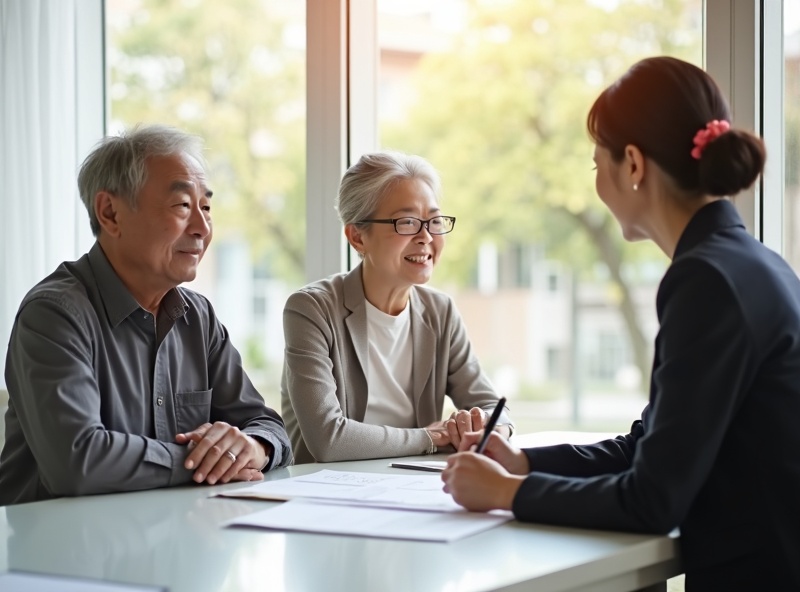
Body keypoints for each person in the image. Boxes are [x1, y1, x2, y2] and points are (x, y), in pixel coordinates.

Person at [441, 56, 800, 591]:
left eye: (596, 165)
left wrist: (504, 494)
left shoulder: (707, 281)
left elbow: (652, 499)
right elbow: (649, 446)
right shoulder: (752, 263)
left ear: (632, 164)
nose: (598, 185)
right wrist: (521, 463)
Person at [0, 124, 291, 506]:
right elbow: (77, 461)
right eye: (183, 206)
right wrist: (204, 461)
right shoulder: (55, 315)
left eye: (206, 207)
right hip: (57, 552)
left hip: (170, 539)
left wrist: (253, 447)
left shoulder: (197, 317)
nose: (203, 228)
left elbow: (269, 427)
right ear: (111, 213)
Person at [281, 151, 512, 464]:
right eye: (407, 222)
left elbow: (492, 406)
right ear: (357, 237)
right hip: (328, 495)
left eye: (433, 221)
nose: (426, 237)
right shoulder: (311, 309)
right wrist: (429, 438)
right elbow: (328, 439)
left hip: (412, 488)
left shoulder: (439, 311)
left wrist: (486, 429)